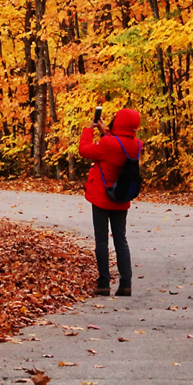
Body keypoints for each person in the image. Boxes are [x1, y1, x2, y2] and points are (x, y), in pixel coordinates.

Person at [79, 106, 142, 296]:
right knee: (121, 239)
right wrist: (106, 132)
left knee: (101, 240)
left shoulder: (107, 144)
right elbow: (119, 144)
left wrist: (89, 130)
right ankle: (125, 283)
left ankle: (104, 283)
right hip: (121, 197)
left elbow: (85, 150)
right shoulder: (137, 145)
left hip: (101, 196)